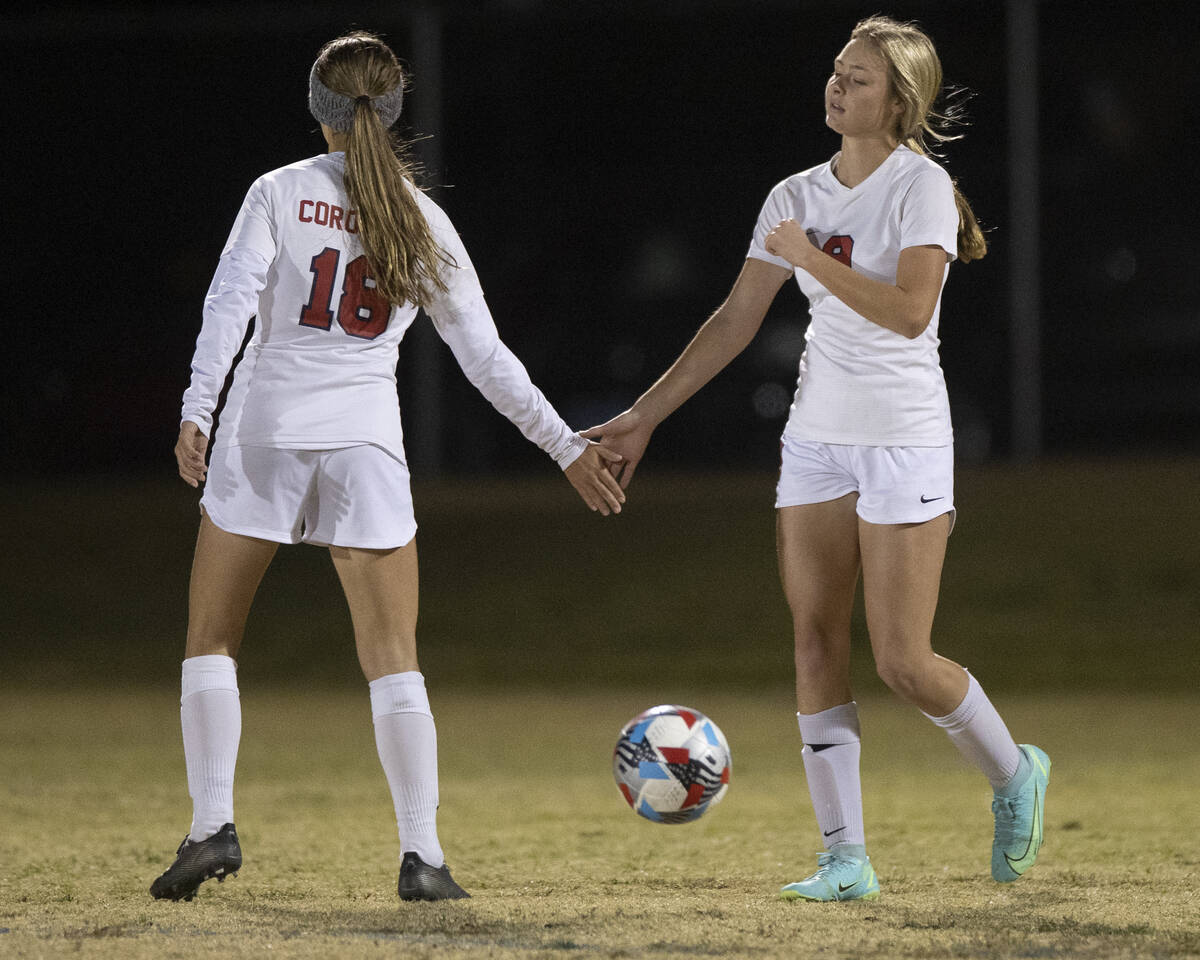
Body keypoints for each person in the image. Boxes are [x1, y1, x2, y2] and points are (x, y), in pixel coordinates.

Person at [150, 31, 625, 905]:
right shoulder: (421, 217)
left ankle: (211, 827)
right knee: (393, 659)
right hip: (365, 443)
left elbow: (228, 306)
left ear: (316, 107)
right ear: (396, 109)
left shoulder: (279, 193)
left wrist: (195, 408)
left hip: (264, 433)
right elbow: (486, 358)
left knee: (212, 639)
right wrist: (565, 447)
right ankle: (424, 857)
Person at [585, 15, 1049, 902]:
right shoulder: (792, 193)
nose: (838, 87)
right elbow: (734, 319)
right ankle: (846, 860)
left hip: (904, 437)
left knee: (905, 661)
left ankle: (1012, 773)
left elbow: (912, 313)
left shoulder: (923, 188)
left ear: (899, 100)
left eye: (860, 78)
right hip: (816, 442)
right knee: (813, 640)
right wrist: (643, 418)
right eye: (837, 71)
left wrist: (810, 257)